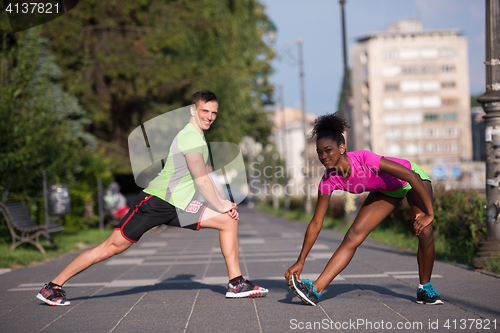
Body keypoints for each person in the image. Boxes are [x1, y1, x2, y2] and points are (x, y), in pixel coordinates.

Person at [37, 91, 268, 306]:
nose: (210, 116)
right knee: (110, 248)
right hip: (156, 202)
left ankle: (236, 283)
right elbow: (201, 179)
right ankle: (52, 287)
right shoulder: (190, 138)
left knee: (228, 220)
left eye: (213, 112)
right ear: (192, 110)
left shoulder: (199, 138)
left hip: (180, 205)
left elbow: (208, 173)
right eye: (205, 111)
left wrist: (224, 203)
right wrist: (220, 204)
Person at [285, 112, 442, 306]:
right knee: (353, 235)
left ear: (342, 148)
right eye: (319, 152)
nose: (323, 156)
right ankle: (315, 290)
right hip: (386, 190)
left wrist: (429, 214)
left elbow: (412, 177)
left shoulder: (364, 159)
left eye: (328, 150)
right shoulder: (328, 180)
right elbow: (316, 223)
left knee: (425, 230)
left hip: (412, 180)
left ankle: (425, 289)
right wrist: (301, 261)